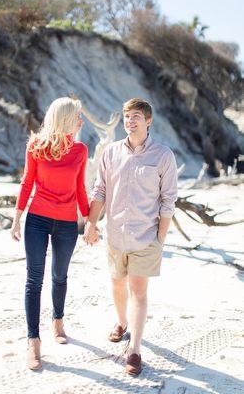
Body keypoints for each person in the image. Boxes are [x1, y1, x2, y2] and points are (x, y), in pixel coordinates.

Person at [83, 98, 178, 376]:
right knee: (117, 285)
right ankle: (122, 323)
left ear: (148, 121)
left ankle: (134, 349)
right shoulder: (111, 153)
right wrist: (91, 223)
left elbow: (168, 199)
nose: (130, 121)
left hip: (145, 238)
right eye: (127, 116)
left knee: (138, 292)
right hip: (115, 235)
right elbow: (99, 191)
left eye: (136, 116)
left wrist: (160, 236)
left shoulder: (163, 155)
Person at [11, 97, 94, 370]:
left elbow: (80, 188)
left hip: (67, 223)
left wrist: (90, 221)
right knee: (34, 280)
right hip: (37, 220)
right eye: (78, 117)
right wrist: (16, 218)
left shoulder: (80, 150)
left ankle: (58, 321)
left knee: (59, 276)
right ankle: (33, 342)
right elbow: (27, 183)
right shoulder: (35, 146)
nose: (81, 121)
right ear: (65, 118)